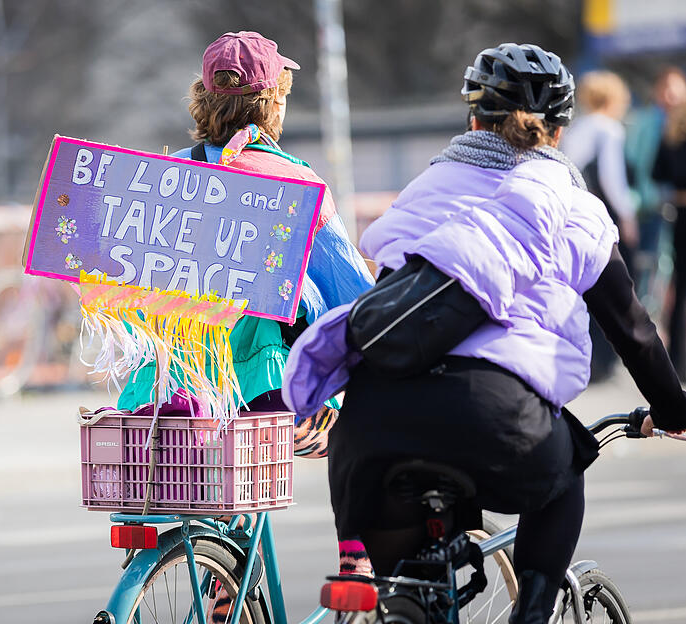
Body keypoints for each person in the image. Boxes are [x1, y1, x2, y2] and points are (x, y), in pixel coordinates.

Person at [283, 43, 686, 623]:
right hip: (496, 424)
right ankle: (534, 612)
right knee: (564, 476)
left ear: (473, 120)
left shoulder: (423, 193)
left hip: (371, 434)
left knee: (408, 586)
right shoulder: (572, 207)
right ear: (560, 130)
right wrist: (672, 409)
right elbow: (635, 333)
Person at [114, 31, 378, 605]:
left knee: (233, 475)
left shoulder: (162, 177)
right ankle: (356, 567)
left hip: (162, 400)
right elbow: (353, 296)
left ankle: (225, 584)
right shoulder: (292, 182)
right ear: (273, 102)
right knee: (369, 422)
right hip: (266, 396)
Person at [560, 71, 636, 381]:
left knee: (584, 288)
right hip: (601, 217)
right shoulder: (609, 130)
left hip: (573, 214)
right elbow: (612, 179)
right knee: (613, 288)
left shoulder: (577, 129)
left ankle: (589, 360)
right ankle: (605, 362)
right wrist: (629, 216)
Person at [626, 67, 686, 289]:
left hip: (677, 208)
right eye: (666, 88)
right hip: (649, 205)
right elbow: (632, 162)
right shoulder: (645, 122)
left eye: (676, 89)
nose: (670, 95)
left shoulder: (681, 122)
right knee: (647, 264)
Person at [653, 100, 686, 379]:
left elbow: (657, 175)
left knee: (680, 290)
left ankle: (677, 358)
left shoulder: (671, 136)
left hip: (680, 219)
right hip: (681, 219)